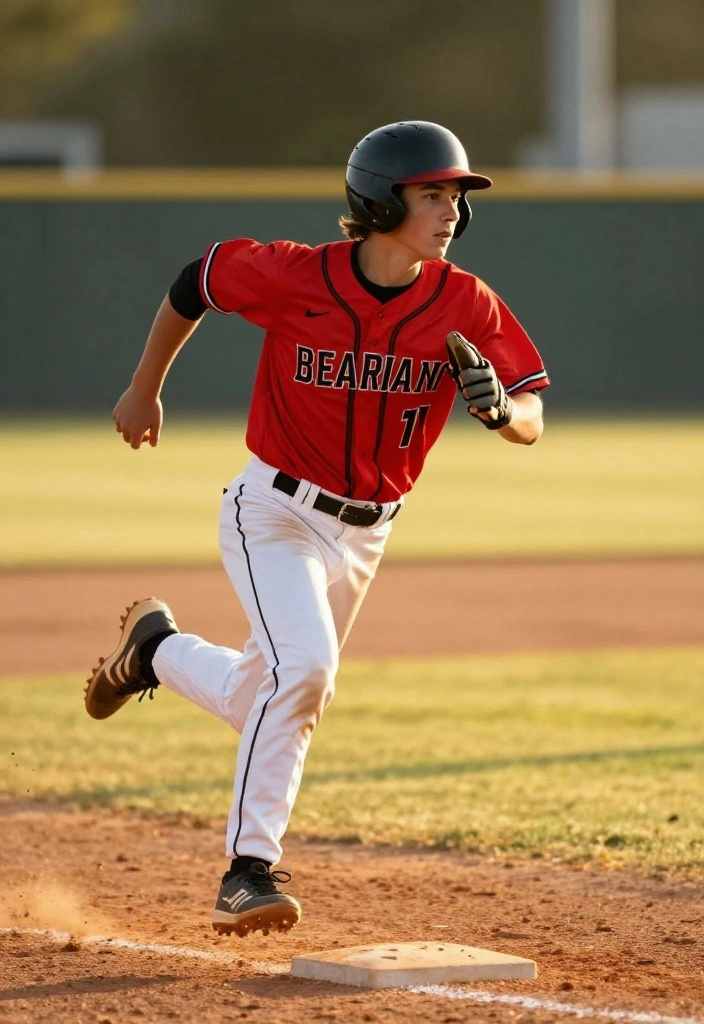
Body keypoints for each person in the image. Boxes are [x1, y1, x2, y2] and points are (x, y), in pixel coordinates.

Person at [85, 120, 549, 938]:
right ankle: (247, 872)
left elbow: (534, 413)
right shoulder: (296, 275)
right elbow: (198, 282)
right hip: (273, 510)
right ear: (380, 198)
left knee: (266, 693)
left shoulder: (465, 301)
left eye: (455, 197)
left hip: (368, 534)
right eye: (431, 193)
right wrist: (143, 386)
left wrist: (505, 412)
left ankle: (153, 650)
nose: (450, 211)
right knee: (305, 672)